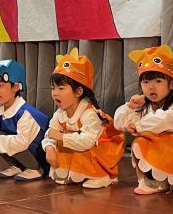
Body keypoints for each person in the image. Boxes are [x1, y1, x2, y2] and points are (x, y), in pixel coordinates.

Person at [114, 45, 173, 201]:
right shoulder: (144, 108)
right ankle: (154, 182)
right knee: (139, 143)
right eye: (146, 82)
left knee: (163, 143)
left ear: (171, 84)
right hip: (164, 151)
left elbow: (163, 120)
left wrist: (138, 126)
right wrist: (130, 107)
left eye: (158, 81)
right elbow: (119, 123)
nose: (151, 87)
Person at [42, 48, 125, 188]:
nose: (55, 93)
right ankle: (72, 172)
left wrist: (62, 137)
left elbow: (88, 141)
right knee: (60, 145)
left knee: (78, 146)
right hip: (78, 146)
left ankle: (102, 175)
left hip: (98, 151)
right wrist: (49, 147)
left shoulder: (89, 114)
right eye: (53, 88)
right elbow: (50, 133)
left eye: (61, 88)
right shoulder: (59, 114)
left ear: (78, 92)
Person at [0, 59, 50, 181]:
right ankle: (17, 166)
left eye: (0, 85)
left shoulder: (25, 113)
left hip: (38, 155)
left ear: (16, 87)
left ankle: (35, 168)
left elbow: (22, 142)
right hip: (22, 151)